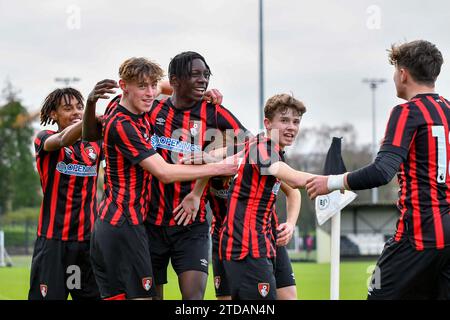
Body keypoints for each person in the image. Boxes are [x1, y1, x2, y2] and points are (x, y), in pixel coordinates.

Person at [306, 40, 450, 299]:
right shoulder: (447, 110)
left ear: (403, 73)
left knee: (377, 294)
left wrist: (330, 182)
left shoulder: (406, 112)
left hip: (419, 233)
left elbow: (381, 172)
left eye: (395, 70)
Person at [86, 57, 238, 300]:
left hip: (120, 226)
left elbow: (160, 88)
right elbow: (164, 173)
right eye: (142, 87)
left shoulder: (127, 108)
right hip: (124, 227)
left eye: (152, 86)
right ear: (124, 86)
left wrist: (198, 91)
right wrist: (218, 167)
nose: (150, 93)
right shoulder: (124, 124)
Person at [216, 93, 312, 300]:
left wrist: (291, 223)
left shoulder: (269, 149)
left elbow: (292, 191)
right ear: (267, 123)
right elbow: (295, 180)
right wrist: (336, 181)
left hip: (266, 239)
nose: (292, 127)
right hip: (246, 244)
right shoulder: (262, 149)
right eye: (284, 120)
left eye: (296, 122)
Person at [29, 88, 101, 300]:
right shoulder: (45, 138)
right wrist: (89, 112)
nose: (76, 112)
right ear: (53, 114)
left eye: (80, 108)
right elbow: (61, 141)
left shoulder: (96, 145)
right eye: (68, 109)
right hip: (53, 243)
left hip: (87, 244)